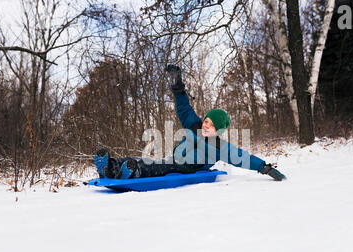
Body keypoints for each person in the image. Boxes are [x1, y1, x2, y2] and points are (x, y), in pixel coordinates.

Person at [94, 65, 286, 181]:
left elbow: (243, 157)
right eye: (206, 120)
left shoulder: (220, 147)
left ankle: (131, 172)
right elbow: (184, 107)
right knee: (142, 159)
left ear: (217, 130)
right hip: (172, 159)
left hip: (186, 169)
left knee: (154, 168)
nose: (205, 125)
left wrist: (264, 167)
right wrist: (178, 87)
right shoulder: (194, 124)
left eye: (211, 124)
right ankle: (110, 167)